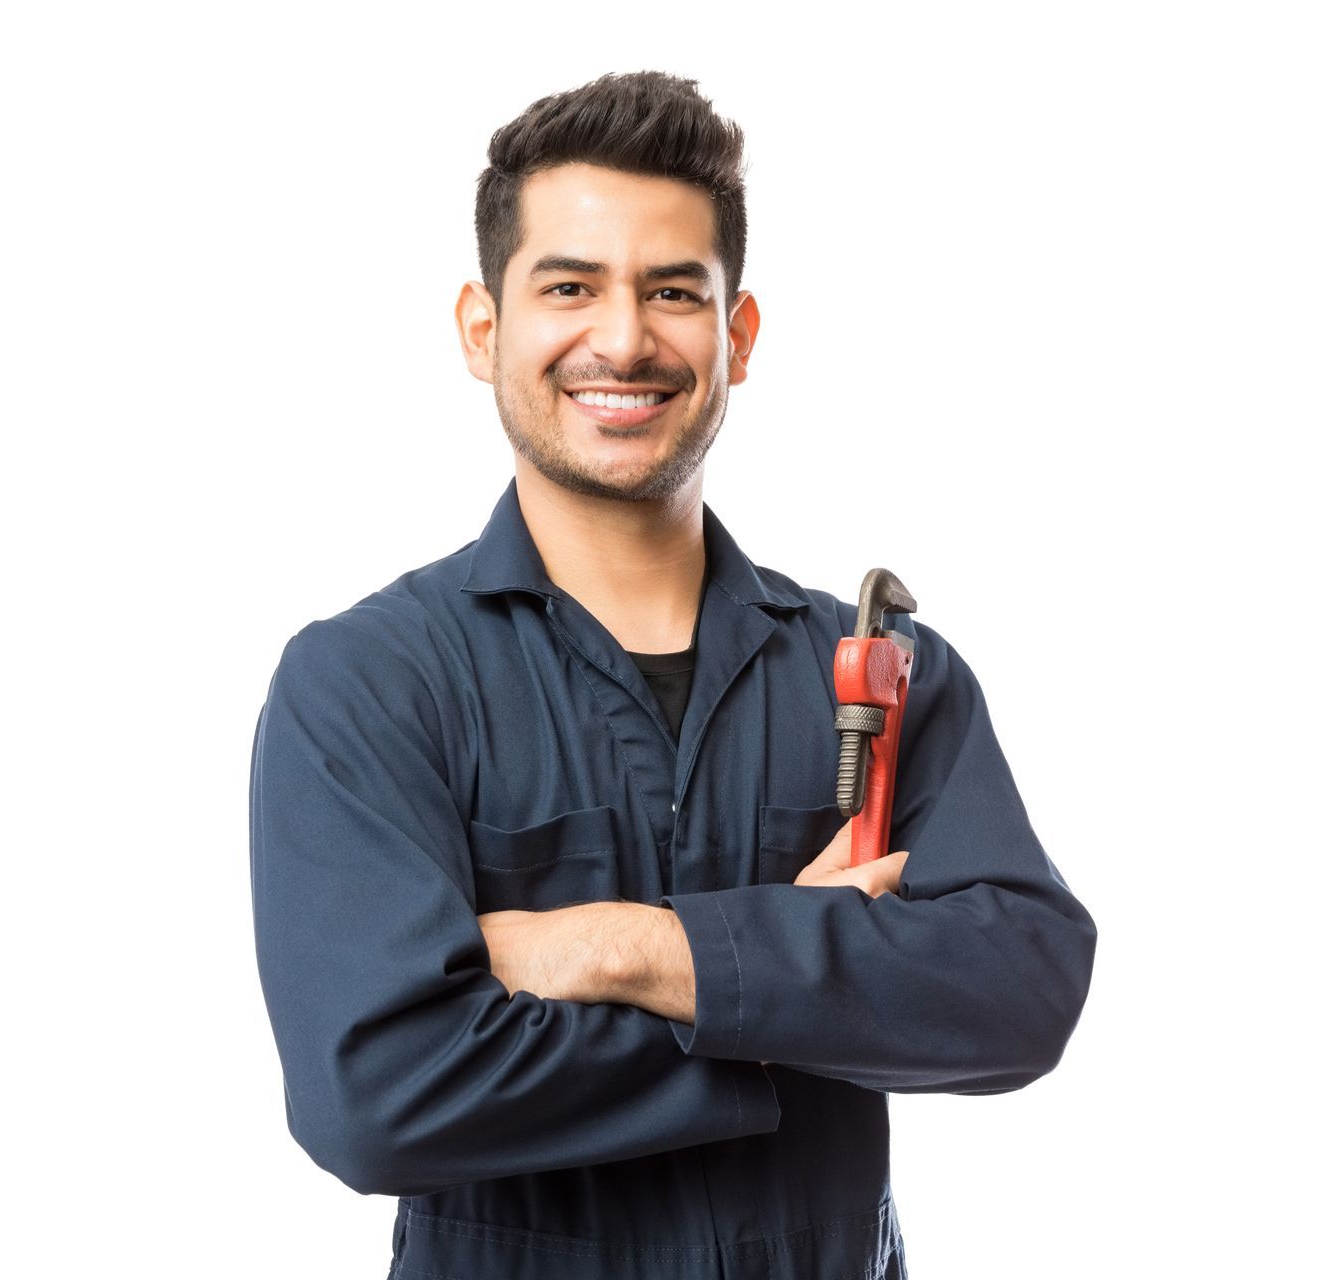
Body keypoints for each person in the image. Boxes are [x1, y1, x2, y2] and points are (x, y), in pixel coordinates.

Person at [248, 70, 1097, 1280]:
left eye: (672, 291)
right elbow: (377, 1092)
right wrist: (800, 986)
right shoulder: (369, 684)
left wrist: (619, 949)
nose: (624, 338)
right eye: (569, 286)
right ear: (484, 328)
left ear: (736, 336)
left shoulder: (881, 673)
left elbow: (1022, 987)